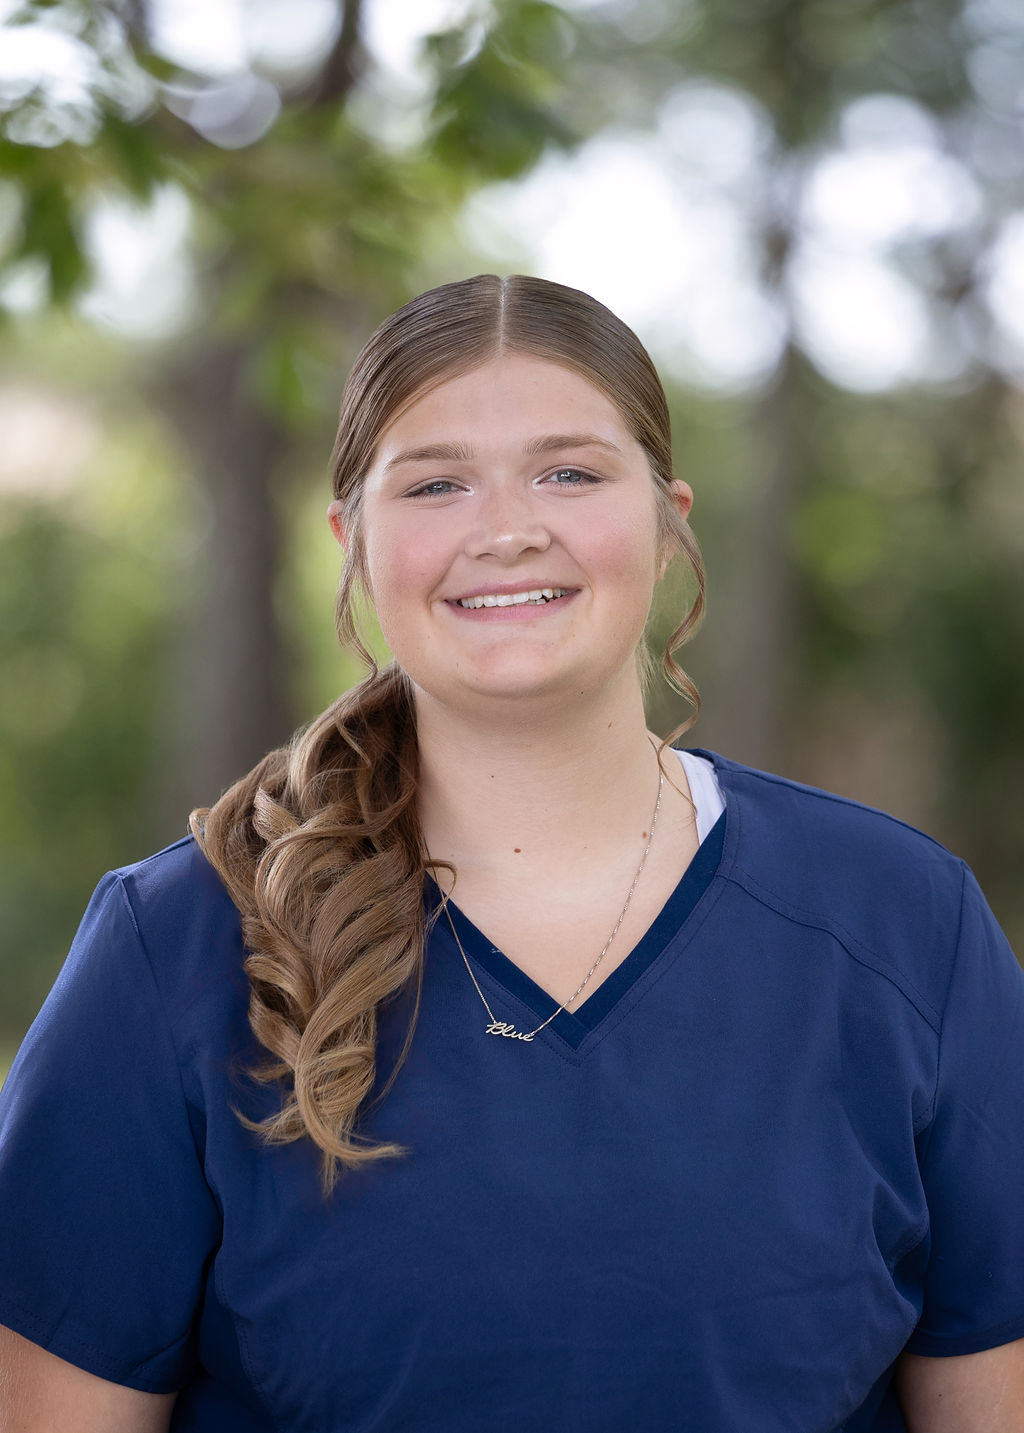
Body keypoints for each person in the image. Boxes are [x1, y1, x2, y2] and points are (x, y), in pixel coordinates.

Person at [0, 274, 1022, 1433]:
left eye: (569, 472)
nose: (505, 528)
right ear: (351, 540)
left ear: (668, 520)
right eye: (436, 483)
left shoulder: (904, 924)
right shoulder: (179, 944)